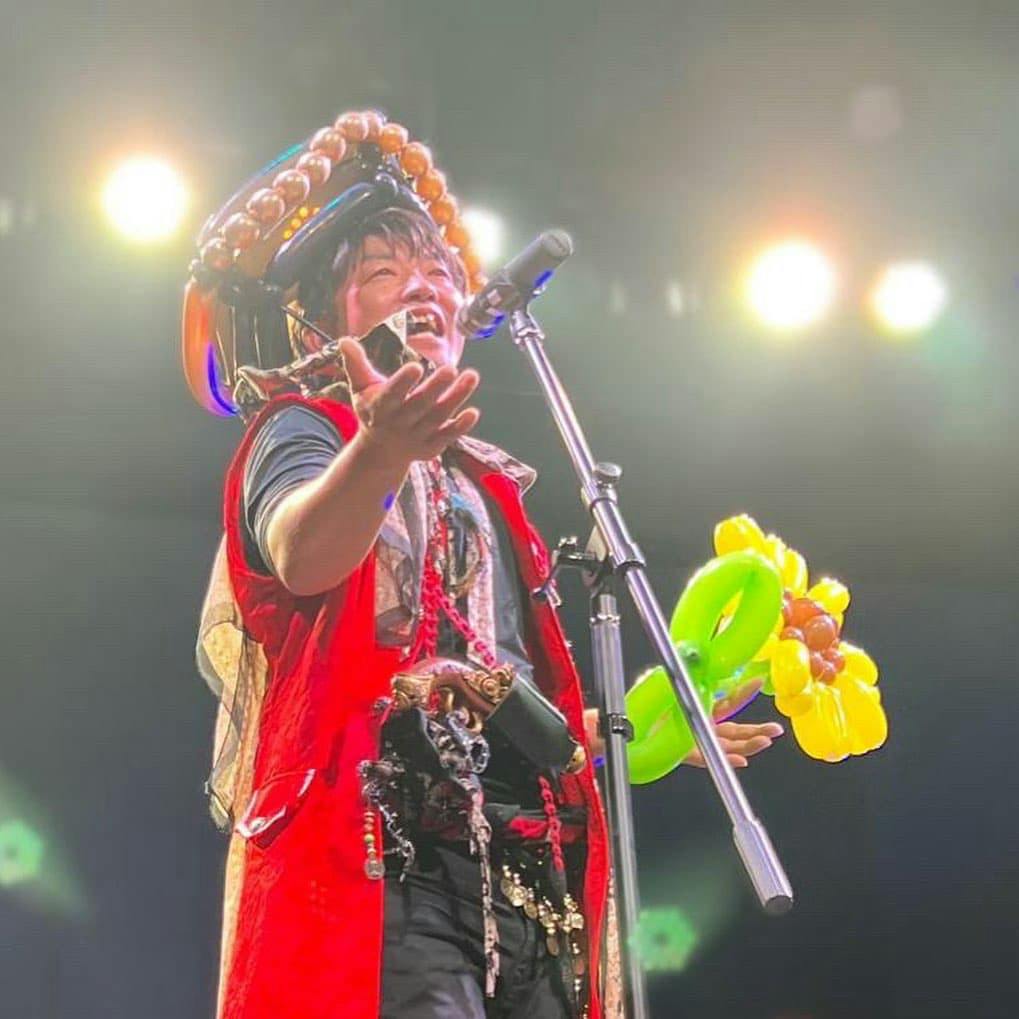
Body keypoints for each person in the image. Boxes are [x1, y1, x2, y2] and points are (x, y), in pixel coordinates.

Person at [186, 110, 782, 1019]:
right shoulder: (306, 428)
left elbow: (492, 686)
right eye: (383, 274)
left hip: (523, 876)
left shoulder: (489, 486)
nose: (421, 287)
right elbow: (301, 557)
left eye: (437, 274)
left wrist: (652, 727)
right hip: (384, 858)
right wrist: (379, 452)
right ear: (321, 321)